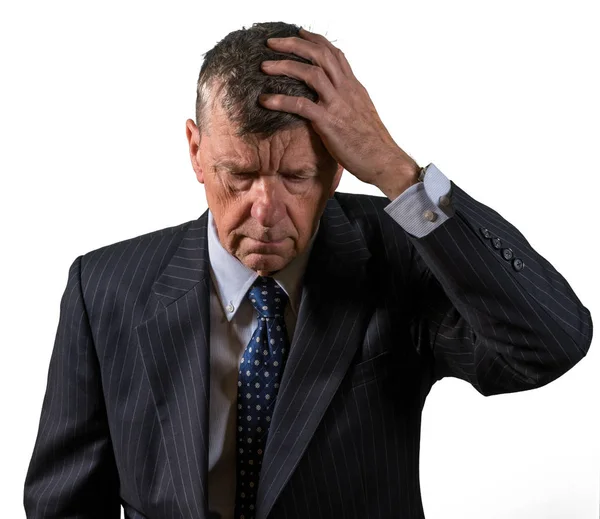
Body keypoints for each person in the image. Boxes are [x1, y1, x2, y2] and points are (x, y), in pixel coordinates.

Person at [24, 21, 593, 519]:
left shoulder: (399, 255)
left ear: (339, 165)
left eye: (296, 177)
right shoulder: (102, 288)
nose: (266, 212)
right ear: (195, 151)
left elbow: (548, 343)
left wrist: (402, 174)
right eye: (239, 176)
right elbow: (65, 504)